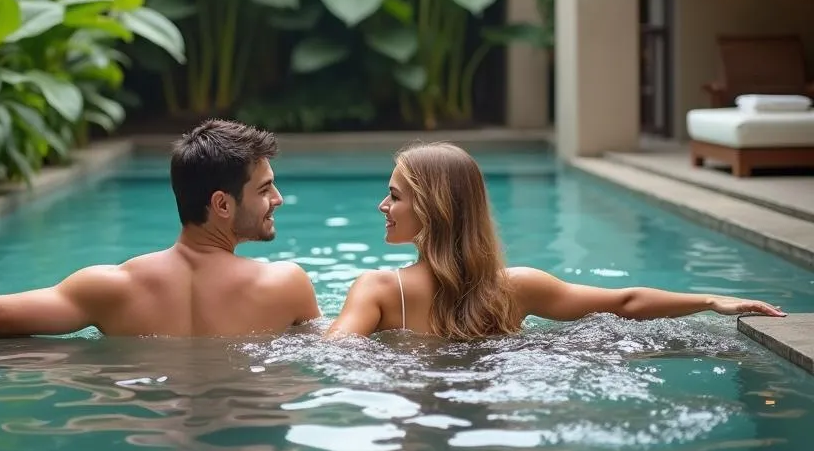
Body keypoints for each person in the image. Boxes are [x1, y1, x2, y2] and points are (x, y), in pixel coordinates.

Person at [0, 120, 320, 338]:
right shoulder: (285, 285)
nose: (278, 199)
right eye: (265, 189)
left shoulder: (111, 288)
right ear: (221, 204)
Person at [327, 142, 786, 340]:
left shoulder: (379, 291)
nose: (382, 207)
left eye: (393, 196)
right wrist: (709, 300)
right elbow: (624, 303)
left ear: (432, 208)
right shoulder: (515, 287)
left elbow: (332, 358)